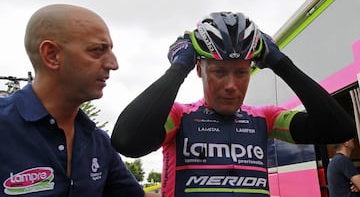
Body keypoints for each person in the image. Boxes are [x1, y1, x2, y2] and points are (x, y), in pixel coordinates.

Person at [111, 12, 356, 197]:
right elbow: (127, 141)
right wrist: (179, 65)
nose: (231, 85)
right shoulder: (179, 116)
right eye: (219, 71)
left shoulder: (265, 119)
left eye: (241, 72)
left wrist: (281, 63)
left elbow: (338, 129)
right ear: (199, 70)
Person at [0, 4, 160, 197]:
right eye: (97, 50)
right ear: (51, 55)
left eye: (110, 50)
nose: (113, 64)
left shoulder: (98, 141)